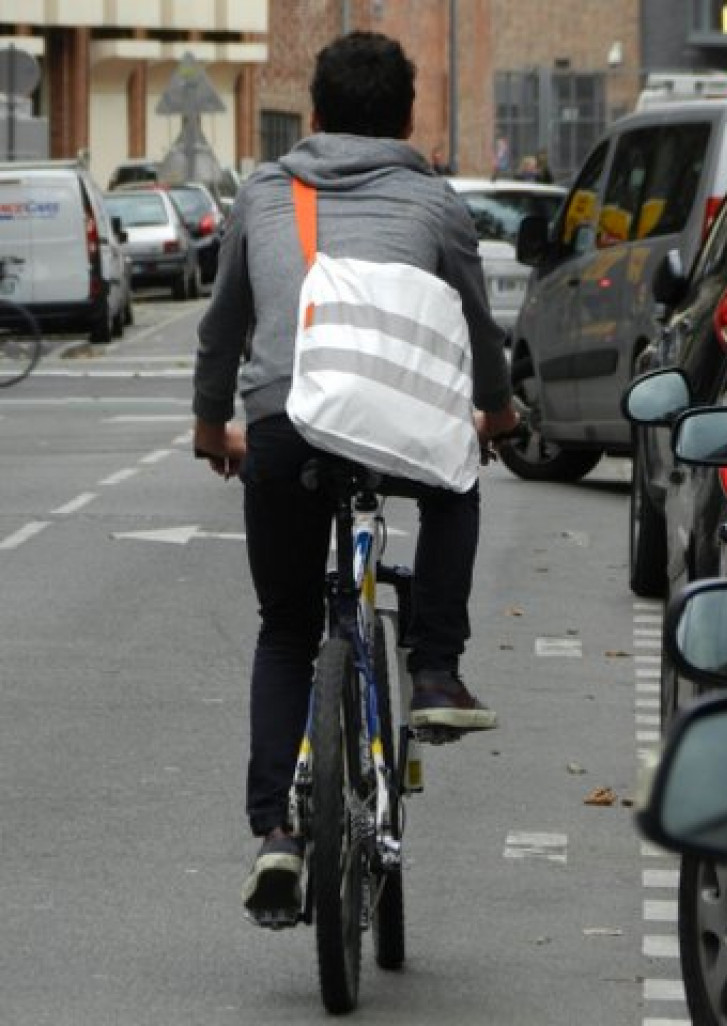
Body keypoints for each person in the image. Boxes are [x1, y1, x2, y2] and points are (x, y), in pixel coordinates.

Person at [192, 30, 520, 918]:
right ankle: (439, 669)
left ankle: (277, 834)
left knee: (288, 630)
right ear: (406, 118)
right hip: (395, 423)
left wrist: (209, 424)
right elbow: (478, 327)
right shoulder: (433, 200)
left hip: (285, 425)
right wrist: (496, 411)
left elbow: (223, 327)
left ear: (315, 116)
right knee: (455, 483)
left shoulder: (266, 193)